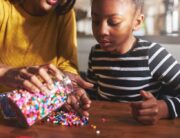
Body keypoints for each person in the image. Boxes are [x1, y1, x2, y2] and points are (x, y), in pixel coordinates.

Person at [86, 0, 180, 125]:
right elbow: (92, 94)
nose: (101, 31)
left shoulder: (152, 54)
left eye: (113, 22)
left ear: (137, 22)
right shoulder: (96, 53)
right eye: (95, 21)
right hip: (104, 127)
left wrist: (164, 109)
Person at [0, 0, 93, 119]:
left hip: (40, 115)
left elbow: (66, 64)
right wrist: (5, 72)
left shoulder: (64, 15)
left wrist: (66, 84)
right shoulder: (3, 8)